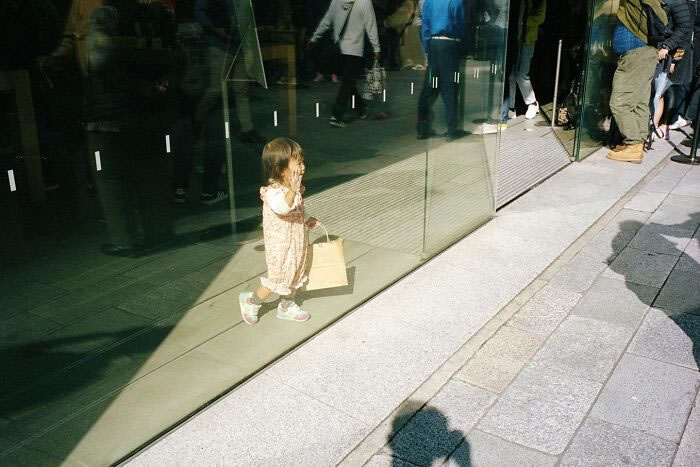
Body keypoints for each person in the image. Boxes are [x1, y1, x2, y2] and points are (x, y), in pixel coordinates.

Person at [239, 138, 319, 325]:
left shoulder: (294, 190)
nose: (303, 167)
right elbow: (283, 208)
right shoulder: (272, 193)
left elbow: (298, 208)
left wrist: (307, 219)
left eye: (302, 162)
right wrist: (292, 191)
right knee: (278, 277)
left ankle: (286, 305)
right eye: (298, 163)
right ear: (280, 169)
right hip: (280, 246)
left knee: (295, 272)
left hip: (296, 241)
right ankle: (252, 301)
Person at [194, 0, 263, 144]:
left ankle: (247, 129)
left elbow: (246, 15)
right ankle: (196, 120)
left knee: (241, 89)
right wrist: (214, 29)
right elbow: (199, 11)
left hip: (239, 46)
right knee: (216, 90)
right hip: (221, 45)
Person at [607, 0, 668, 164]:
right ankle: (637, 143)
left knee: (619, 102)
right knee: (639, 102)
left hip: (635, 54)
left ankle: (633, 144)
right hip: (645, 52)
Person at [309, 0, 381, 128]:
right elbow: (371, 26)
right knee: (348, 82)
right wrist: (376, 48)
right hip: (354, 49)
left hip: (337, 50)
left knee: (348, 81)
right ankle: (337, 115)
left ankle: (361, 109)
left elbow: (326, 21)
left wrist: (315, 37)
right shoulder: (364, 2)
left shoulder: (336, 1)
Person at [416, 0, 467, 141]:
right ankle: (451, 129)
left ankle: (422, 129)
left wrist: (427, 52)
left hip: (433, 45)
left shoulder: (429, 2)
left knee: (428, 89)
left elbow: (425, 27)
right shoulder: (456, 1)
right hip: (450, 45)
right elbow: (460, 24)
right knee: (449, 89)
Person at [504, 0, 546, 120]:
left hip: (527, 41)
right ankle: (511, 107)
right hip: (515, 40)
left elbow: (540, 18)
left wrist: (523, 21)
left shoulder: (540, 1)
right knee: (511, 75)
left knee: (522, 74)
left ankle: (532, 103)